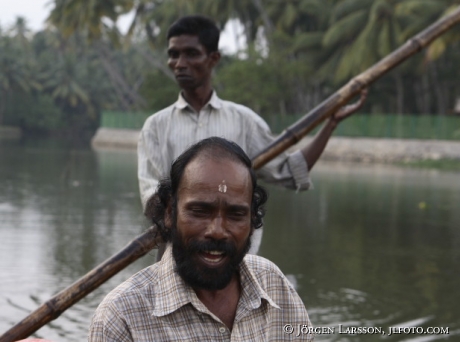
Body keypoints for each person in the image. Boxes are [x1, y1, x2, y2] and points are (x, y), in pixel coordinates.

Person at [137, 15, 366, 255]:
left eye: (191, 54)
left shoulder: (244, 122)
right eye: (174, 54)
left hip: (236, 259)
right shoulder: (155, 127)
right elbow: (152, 199)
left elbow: (290, 171)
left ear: (213, 58)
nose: (180, 63)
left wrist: (330, 125)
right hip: (179, 260)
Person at [89, 137, 314, 341]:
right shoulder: (121, 318)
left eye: (236, 215)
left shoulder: (274, 285)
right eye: (200, 211)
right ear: (169, 213)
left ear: (252, 220)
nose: (217, 231)